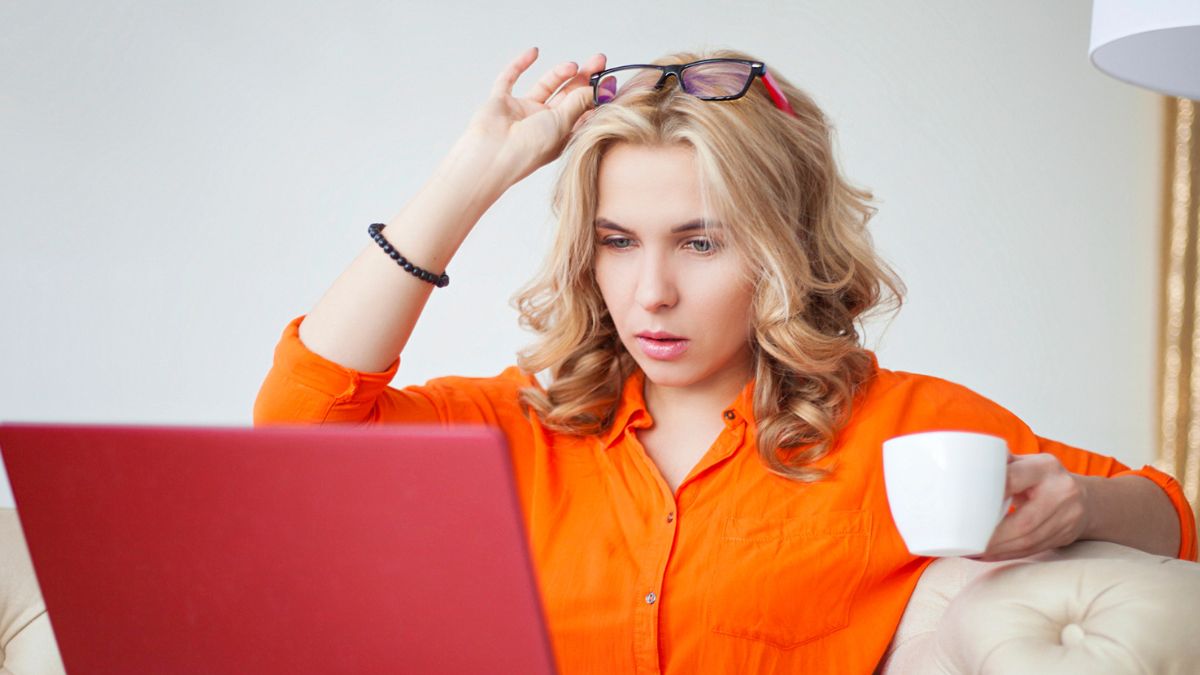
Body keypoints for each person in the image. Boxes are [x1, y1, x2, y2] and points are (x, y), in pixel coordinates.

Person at [254, 47, 1197, 673]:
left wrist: (1085, 504)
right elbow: (300, 432)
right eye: (617, 241)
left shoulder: (904, 431)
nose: (650, 292)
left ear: (786, 248)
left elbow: (1174, 522)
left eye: (700, 242)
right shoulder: (512, 430)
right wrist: (477, 169)